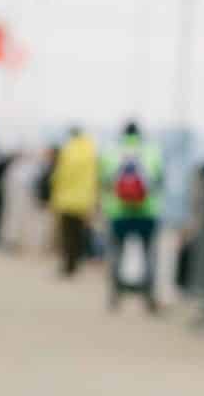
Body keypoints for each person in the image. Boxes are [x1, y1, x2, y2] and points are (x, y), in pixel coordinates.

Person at [101, 119, 163, 310]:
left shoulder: (112, 152)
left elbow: (105, 181)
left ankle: (114, 295)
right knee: (149, 255)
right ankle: (149, 296)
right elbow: (159, 180)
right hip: (147, 211)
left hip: (118, 211)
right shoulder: (152, 152)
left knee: (116, 253)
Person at [48, 125, 99, 276]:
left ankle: (68, 265)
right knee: (79, 233)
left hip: (66, 199)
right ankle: (77, 262)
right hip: (84, 200)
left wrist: (54, 196)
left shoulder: (68, 150)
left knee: (67, 234)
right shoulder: (90, 151)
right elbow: (95, 178)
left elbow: (60, 176)